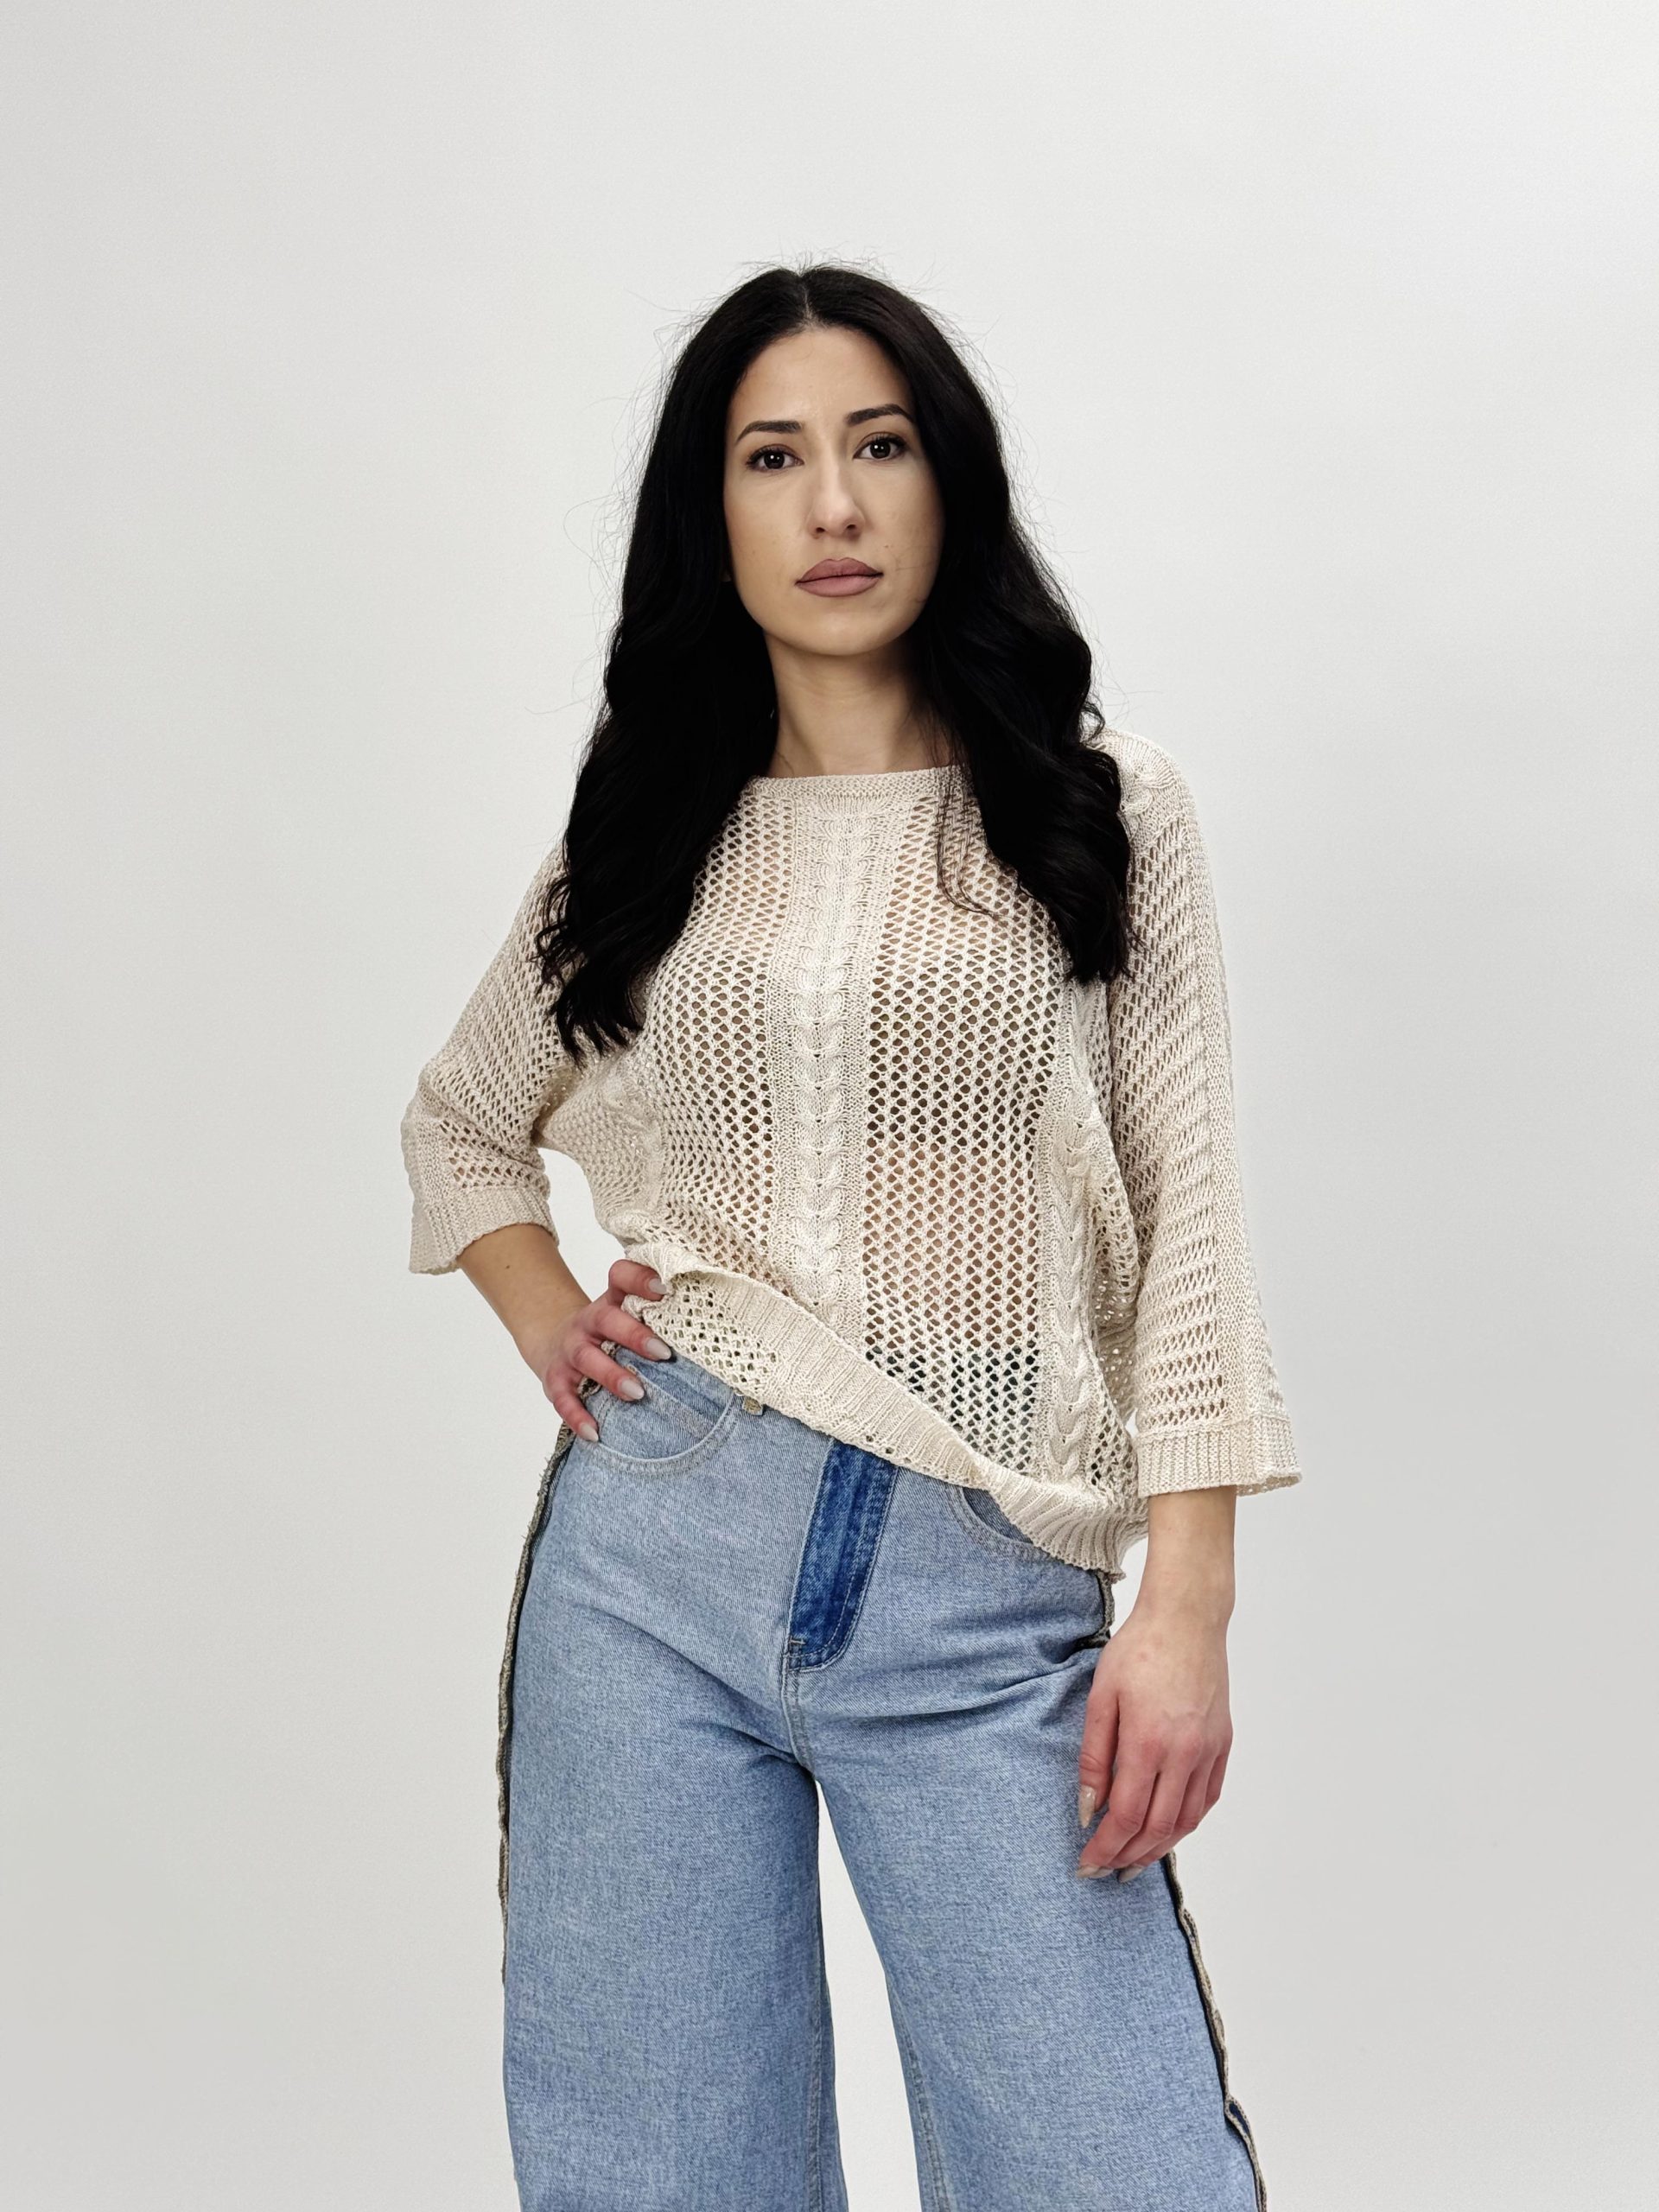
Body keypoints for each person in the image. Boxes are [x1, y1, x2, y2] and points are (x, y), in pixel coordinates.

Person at [399, 261, 1301, 2212]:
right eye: (773, 457)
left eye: (879, 447)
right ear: (709, 514)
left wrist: (1190, 1602)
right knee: (662, 2179)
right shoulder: (650, 831)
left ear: (945, 481)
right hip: (654, 1561)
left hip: (986, 1580)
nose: (833, 505)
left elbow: (1194, 1233)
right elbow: (462, 1124)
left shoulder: (1098, 807)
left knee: (1114, 2169)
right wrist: (556, 1323)